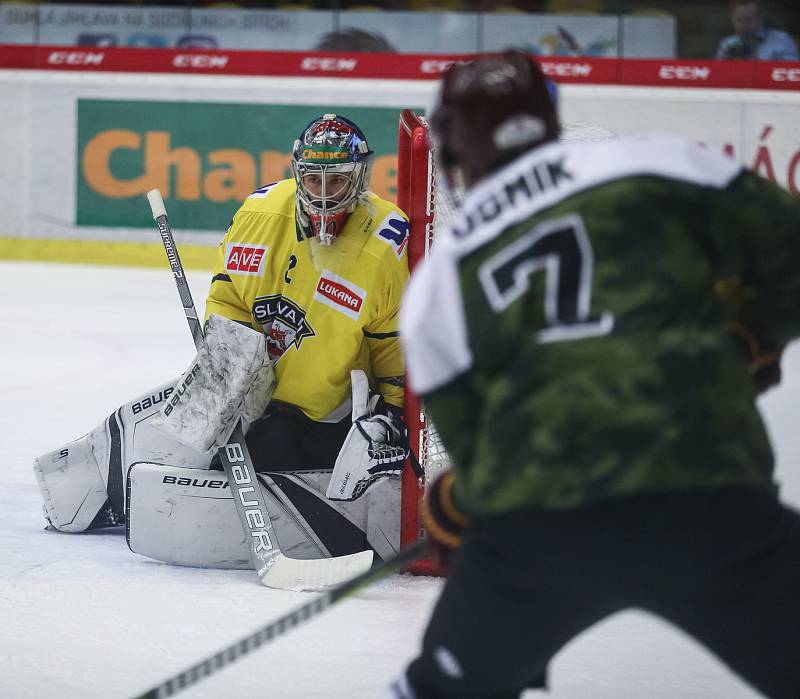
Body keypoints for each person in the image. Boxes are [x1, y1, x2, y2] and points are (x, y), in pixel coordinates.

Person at [391, 50, 800, 699]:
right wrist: (753, 332)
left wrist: (458, 503)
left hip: (543, 529)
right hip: (708, 491)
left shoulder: (436, 285)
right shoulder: (657, 161)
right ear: (548, 118)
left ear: (456, 149)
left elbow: (491, 460)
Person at [34, 114, 412, 566]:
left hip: (332, 411)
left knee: (281, 468)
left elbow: (392, 338)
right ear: (298, 172)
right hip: (256, 390)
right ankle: (97, 484)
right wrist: (227, 360)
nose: (324, 193)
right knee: (203, 439)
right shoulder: (259, 215)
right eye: (314, 179)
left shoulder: (383, 243)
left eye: (338, 181)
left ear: (361, 176)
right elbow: (229, 294)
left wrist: (393, 406)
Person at [716, 0, 799, 61]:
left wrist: (758, 66)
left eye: (748, 20)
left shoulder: (782, 41)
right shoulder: (727, 44)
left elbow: (792, 73)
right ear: (732, 19)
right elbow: (715, 76)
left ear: (760, 18)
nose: (743, 25)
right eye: (739, 20)